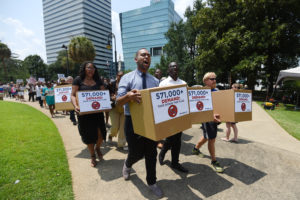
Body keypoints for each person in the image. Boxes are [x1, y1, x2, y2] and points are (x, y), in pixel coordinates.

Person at [116, 48, 163, 198]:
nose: (147, 57)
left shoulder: (155, 81)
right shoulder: (127, 78)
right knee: (135, 152)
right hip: (132, 121)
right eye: (143, 55)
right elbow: (117, 102)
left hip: (151, 122)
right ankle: (128, 164)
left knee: (151, 153)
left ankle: (152, 182)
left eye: (148, 55)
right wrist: (128, 96)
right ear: (136, 59)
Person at [71, 61, 107, 167]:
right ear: (84, 69)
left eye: (93, 68)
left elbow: (103, 94)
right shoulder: (78, 80)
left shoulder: (98, 80)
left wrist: (105, 102)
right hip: (84, 115)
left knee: (101, 134)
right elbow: (73, 95)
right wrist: (75, 106)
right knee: (89, 136)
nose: (91, 70)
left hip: (97, 113)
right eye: (88, 68)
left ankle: (98, 148)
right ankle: (92, 156)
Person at [158, 62, 188, 173]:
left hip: (180, 116)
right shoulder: (163, 83)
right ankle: (162, 154)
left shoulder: (183, 83)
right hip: (168, 117)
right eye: (172, 66)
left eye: (176, 66)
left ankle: (174, 162)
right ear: (168, 70)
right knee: (171, 138)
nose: (175, 67)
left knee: (177, 140)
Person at [191, 72, 224, 173]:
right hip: (207, 118)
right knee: (212, 139)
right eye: (212, 79)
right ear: (205, 81)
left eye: (215, 78)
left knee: (207, 137)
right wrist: (210, 115)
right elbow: (198, 107)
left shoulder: (217, 91)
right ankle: (214, 160)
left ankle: (196, 149)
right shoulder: (201, 92)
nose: (214, 80)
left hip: (216, 119)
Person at [108, 71, 127, 150]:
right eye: (119, 76)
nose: (121, 77)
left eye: (123, 76)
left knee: (122, 128)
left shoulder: (127, 84)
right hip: (114, 108)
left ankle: (121, 144)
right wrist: (111, 97)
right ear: (117, 76)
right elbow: (105, 95)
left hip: (124, 109)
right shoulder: (111, 84)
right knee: (115, 127)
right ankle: (110, 134)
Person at [154, 68, 164, 149]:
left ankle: (159, 140)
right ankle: (157, 141)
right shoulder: (152, 81)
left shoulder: (163, 83)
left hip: (161, 106)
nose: (158, 74)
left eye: (160, 73)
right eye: (157, 72)